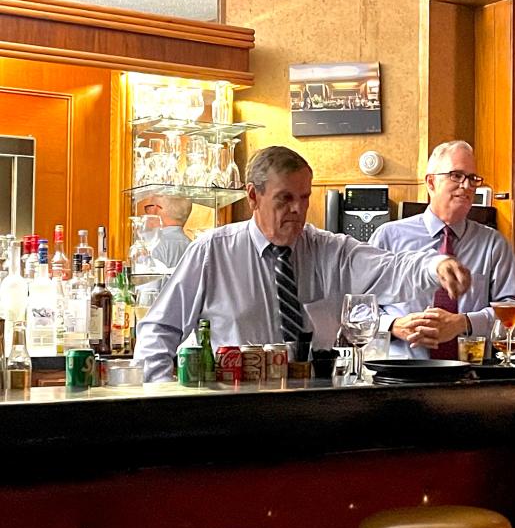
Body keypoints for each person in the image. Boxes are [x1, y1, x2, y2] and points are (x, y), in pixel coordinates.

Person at [134, 145, 471, 382]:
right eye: (285, 199)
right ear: (253, 196)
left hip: (312, 407)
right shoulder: (213, 251)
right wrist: (161, 396)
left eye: (305, 197)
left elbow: (390, 267)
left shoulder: (328, 249)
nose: (298, 209)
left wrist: (435, 266)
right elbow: (159, 329)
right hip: (234, 407)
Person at [368, 140, 515, 359]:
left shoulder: (494, 244)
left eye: (472, 178)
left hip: (470, 375)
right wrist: (393, 325)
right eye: (456, 175)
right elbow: (356, 307)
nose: (466, 186)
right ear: (431, 182)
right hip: (399, 373)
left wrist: (464, 322)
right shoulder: (388, 237)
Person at [143, 194, 193, 271]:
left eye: (148, 208)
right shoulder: (193, 246)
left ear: (156, 210)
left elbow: (146, 281)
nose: (147, 213)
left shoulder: (151, 246)